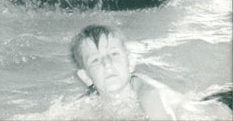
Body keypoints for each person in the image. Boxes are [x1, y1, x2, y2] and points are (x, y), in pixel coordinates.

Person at [70, 25, 231, 120]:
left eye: (113, 54)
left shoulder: (149, 95)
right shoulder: (88, 104)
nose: (107, 64)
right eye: (95, 60)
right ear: (86, 77)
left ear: (130, 63)